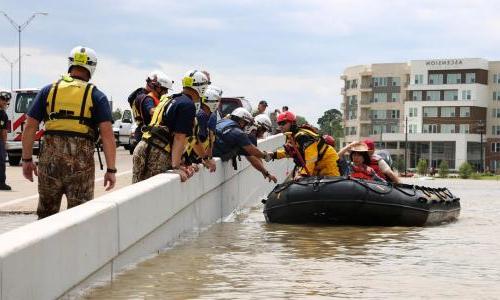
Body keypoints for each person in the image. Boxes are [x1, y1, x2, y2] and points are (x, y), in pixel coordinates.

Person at [21, 46, 116, 219]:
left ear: (70, 64)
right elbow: (108, 135)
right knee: (79, 218)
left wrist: (27, 160)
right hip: (81, 165)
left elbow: (30, 126)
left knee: (46, 217)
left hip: (49, 163)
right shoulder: (96, 95)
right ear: (92, 67)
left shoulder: (48, 91)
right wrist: (111, 170)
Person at [132, 70, 210, 183]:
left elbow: (188, 138)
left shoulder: (172, 98)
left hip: (142, 146)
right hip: (157, 152)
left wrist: (195, 160)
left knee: (137, 190)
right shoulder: (188, 105)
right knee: (152, 193)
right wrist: (176, 167)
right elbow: (179, 137)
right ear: (200, 87)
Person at [267, 111, 339, 179]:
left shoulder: (302, 136)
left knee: (332, 185)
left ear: (292, 123)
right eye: (279, 124)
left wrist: (303, 174)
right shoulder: (292, 137)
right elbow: (292, 152)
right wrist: (274, 154)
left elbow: (311, 157)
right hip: (317, 165)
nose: (280, 126)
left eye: (283, 123)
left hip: (328, 161)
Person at [213, 108, 277, 183]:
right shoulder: (239, 133)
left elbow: (254, 154)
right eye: (246, 123)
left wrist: (265, 171)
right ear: (241, 121)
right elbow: (252, 153)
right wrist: (265, 156)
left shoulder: (223, 121)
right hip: (214, 155)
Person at [128, 71, 174, 142]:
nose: (166, 92)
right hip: (145, 133)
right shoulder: (145, 98)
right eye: (164, 89)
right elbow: (151, 111)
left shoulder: (142, 95)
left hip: (144, 131)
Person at [0, 90, 11, 190]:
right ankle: (1, 183)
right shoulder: (2, 114)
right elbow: (3, 132)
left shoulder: (3, 114)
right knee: (1, 162)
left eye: (7, 100)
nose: (5, 102)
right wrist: (4, 144)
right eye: (3, 99)